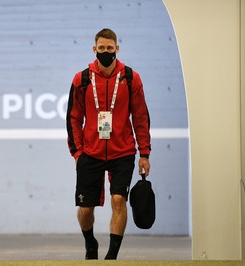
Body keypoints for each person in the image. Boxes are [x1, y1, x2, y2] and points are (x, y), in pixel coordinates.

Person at [66, 28, 151, 260]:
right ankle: (90, 242)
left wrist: (144, 153)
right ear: (94, 50)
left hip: (122, 152)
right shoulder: (82, 79)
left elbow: (141, 116)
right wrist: (77, 153)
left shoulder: (131, 78)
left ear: (117, 49)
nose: (106, 52)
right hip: (90, 153)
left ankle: (111, 257)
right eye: (101, 49)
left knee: (118, 200)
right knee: (85, 209)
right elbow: (73, 118)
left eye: (110, 48)